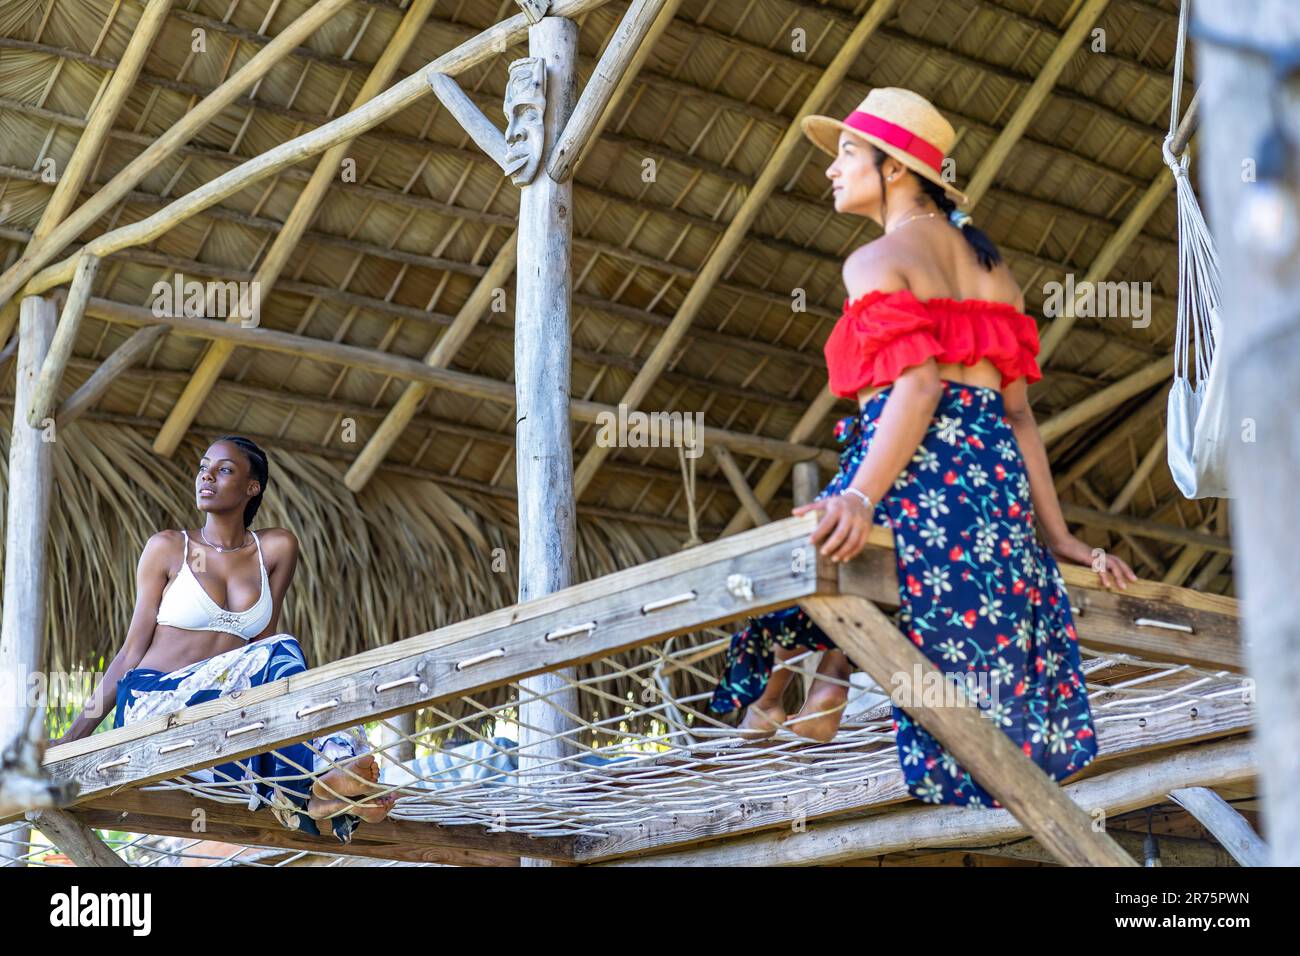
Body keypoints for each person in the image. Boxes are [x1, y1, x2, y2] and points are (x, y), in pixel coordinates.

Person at [708, 88, 1137, 808]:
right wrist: (1056, 535)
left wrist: (861, 493)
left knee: (802, 556)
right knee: (836, 554)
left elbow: (917, 392)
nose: (831, 171)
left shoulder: (875, 261)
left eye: (847, 153)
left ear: (896, 168)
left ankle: (793, 696)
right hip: (992, 497)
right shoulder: (998, 276)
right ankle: (821, 690)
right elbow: (1019, 416)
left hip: (918, 477)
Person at [53, 435, 396, 841]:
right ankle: (321, 781)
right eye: (203, 468)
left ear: (252, 488)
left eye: (224, 469)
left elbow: (262, 655)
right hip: (155, 706)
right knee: (283, 649)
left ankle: (320, 789)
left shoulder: (276, 548)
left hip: (219, 717)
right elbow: (129, 654)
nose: (207, 476)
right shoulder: (167, 548)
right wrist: (70, 742)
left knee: (298, 680)